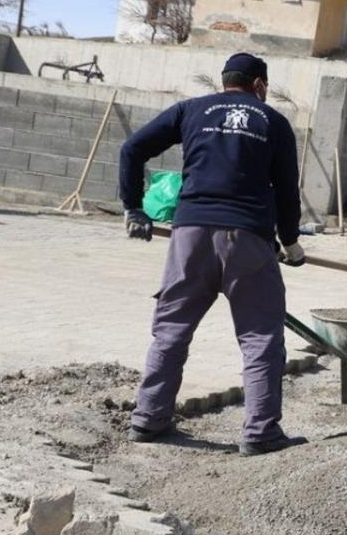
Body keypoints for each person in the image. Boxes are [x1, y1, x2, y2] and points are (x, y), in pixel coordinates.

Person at [119, 52, 306, 457]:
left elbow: (132, 149)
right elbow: (287, 190)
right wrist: (290, 242)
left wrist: (134, 207)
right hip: (249, 240)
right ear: (259, 85)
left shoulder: (191, 110)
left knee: (171, 331)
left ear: (225, 82)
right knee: (260, 338)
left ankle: (148, 419)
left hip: (190, 236)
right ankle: (260, 433)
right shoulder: (272, 121)